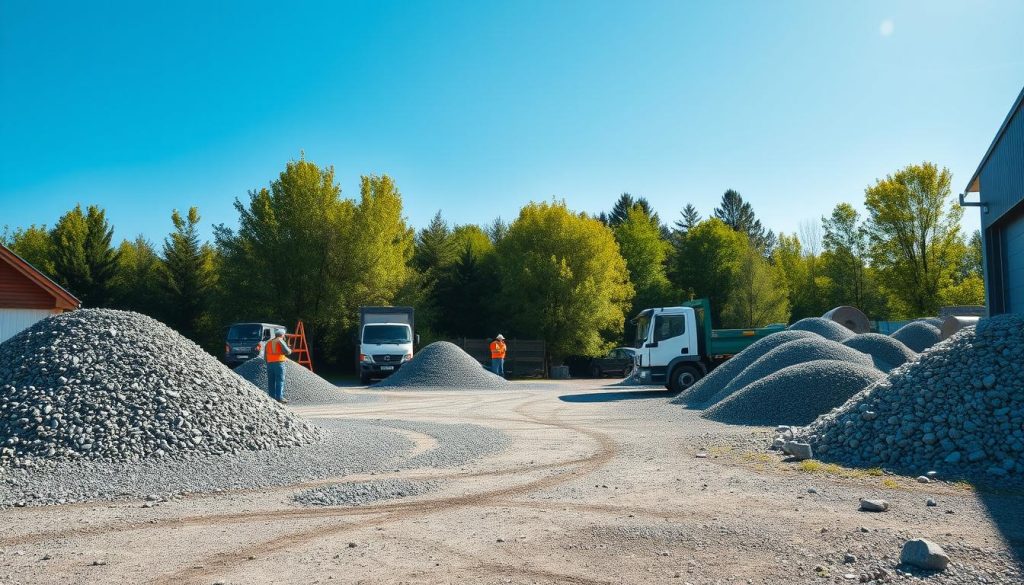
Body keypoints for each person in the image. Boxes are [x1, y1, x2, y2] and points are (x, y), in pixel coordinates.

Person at [262, 328, 292, 403]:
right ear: (282, 334)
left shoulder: (268, 342)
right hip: (279, 363)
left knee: (271, 381)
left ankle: (271, 398)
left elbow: (265, 356)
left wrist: (268, 362)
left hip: (269, 364)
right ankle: (279, 398)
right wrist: (290, 349)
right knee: (280, 380)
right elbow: (287, 352)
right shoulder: (280, 340)